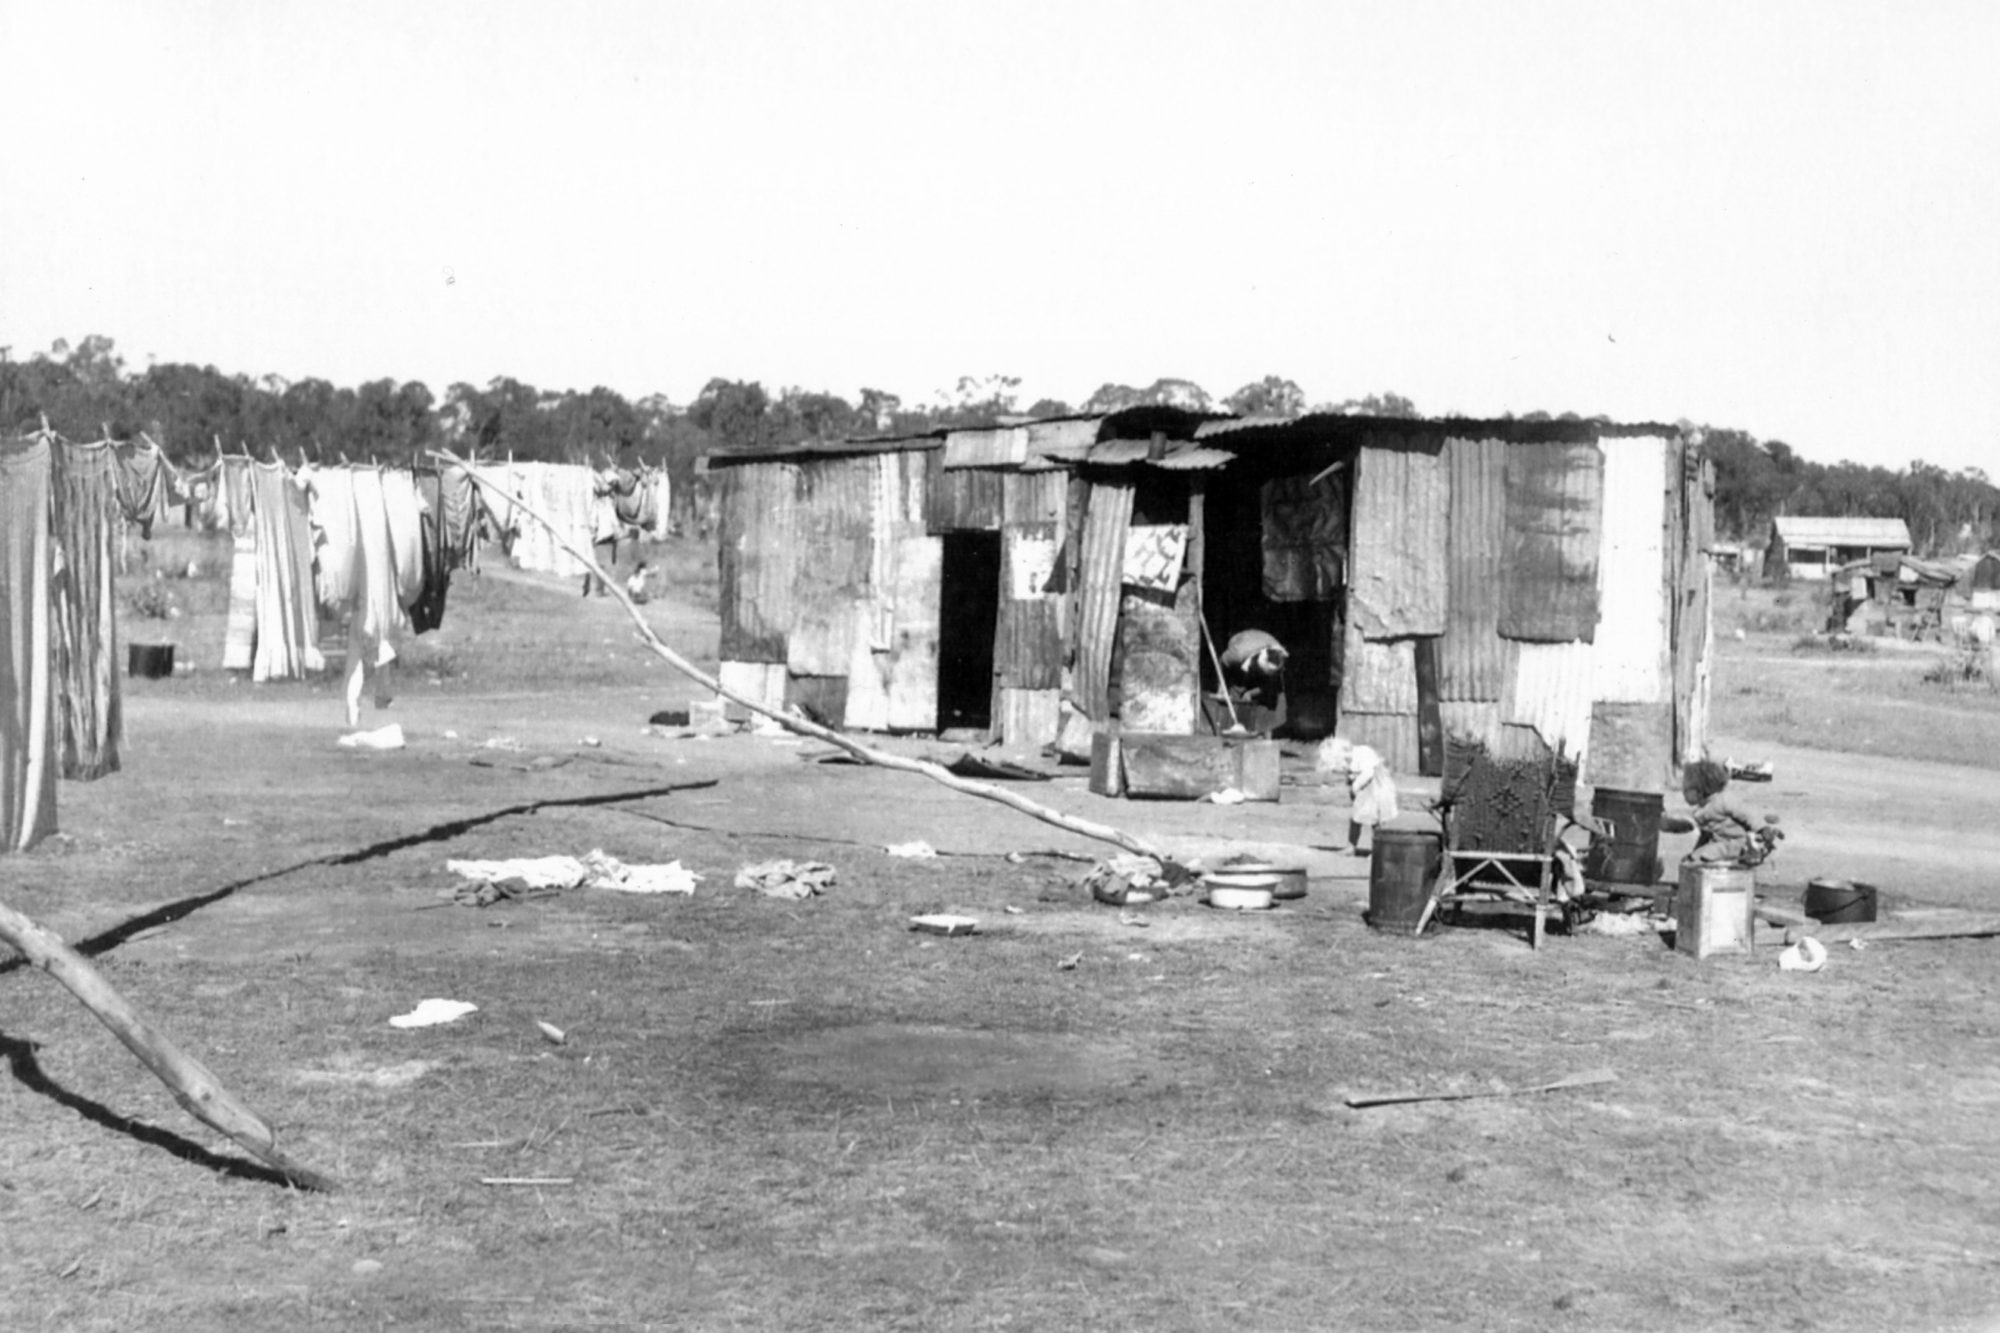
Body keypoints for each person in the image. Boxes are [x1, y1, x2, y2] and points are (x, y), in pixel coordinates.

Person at [1665, 758, 1783, 865]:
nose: (1683, 793)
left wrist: (1762, 829)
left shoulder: (1723, 801)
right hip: (1721, 843)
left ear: (1700, 791)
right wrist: (1693, 854)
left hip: (1738, 842)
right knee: (1693, 859)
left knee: (1707, 854)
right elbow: (1705, 836)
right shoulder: (1700, 812)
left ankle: (1754, 850)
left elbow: (1747, 815)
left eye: (1686, 790)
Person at [1316, 737, 1399, 857]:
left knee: (1376, 820)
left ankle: (1379, 849)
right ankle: (1351, 846)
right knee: (1356, 817)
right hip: (1364, 790)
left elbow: (1368, 774)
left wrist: (1355, 786)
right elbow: (1351, 774)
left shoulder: (1362, 753)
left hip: (1375, 788)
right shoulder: (1349, 761)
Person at [583, 451, 639, 597]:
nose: (614, 485)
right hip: (600, 527)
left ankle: (597, 586)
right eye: (612, 483)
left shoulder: (610, 500)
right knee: (596, 560)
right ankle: (591, 583)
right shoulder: (599, 495)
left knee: (603, 562)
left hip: (608, 533)